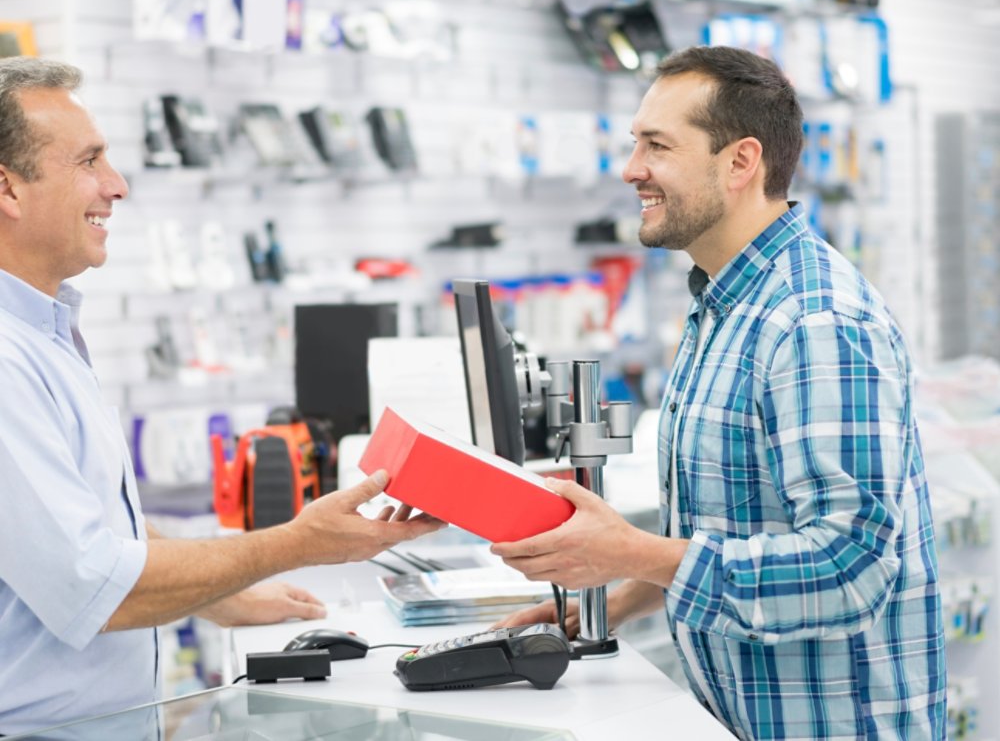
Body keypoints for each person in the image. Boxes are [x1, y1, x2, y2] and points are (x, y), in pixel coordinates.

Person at [493, 46, 946, 740]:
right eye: (633, 143)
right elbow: (738, 533)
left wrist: (631, 551)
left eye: (657, 146)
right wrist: (609, 605)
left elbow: (851, 567)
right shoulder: (726, 304)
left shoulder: (815, 321)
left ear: (740, 163)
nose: (630, 169)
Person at [0, 56, 444, 735]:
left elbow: (84, 521)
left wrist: (217, 594)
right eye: (89, 161)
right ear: (7, 187)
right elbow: (96, 586)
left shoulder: (45, 330)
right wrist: (297, 543)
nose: (114, 186)